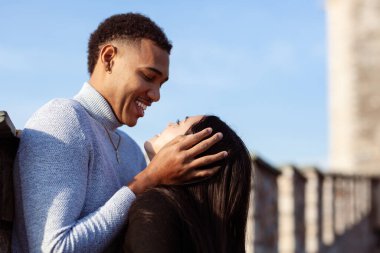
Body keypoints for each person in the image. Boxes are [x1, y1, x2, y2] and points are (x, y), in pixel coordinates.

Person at [12, 13, 227, 252]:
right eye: (148, 77)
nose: (156, 95)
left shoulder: (132, 151)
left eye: (161, 84)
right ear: (109, 58)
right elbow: (52, 249)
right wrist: (147, 179)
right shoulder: (62, 119)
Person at [123, 115, 252, 253]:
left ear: (195, 152)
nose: (169, 123)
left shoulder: (156, 207)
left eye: (179, 123)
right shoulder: (213, 233)